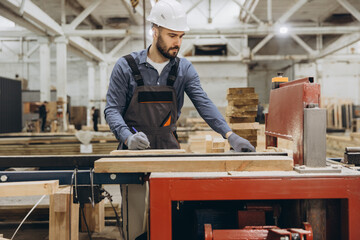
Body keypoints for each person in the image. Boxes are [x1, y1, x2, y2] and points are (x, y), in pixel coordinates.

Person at [105, 0, 255, 153]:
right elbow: (112, 109)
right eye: (172, 35)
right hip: (132, 150)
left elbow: (203, 103)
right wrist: (127, 137)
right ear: (155, 32)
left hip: (169, 151)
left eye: (181, 36)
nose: (177, 42)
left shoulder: (184, 69)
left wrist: (229, 135)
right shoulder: (126, 66)